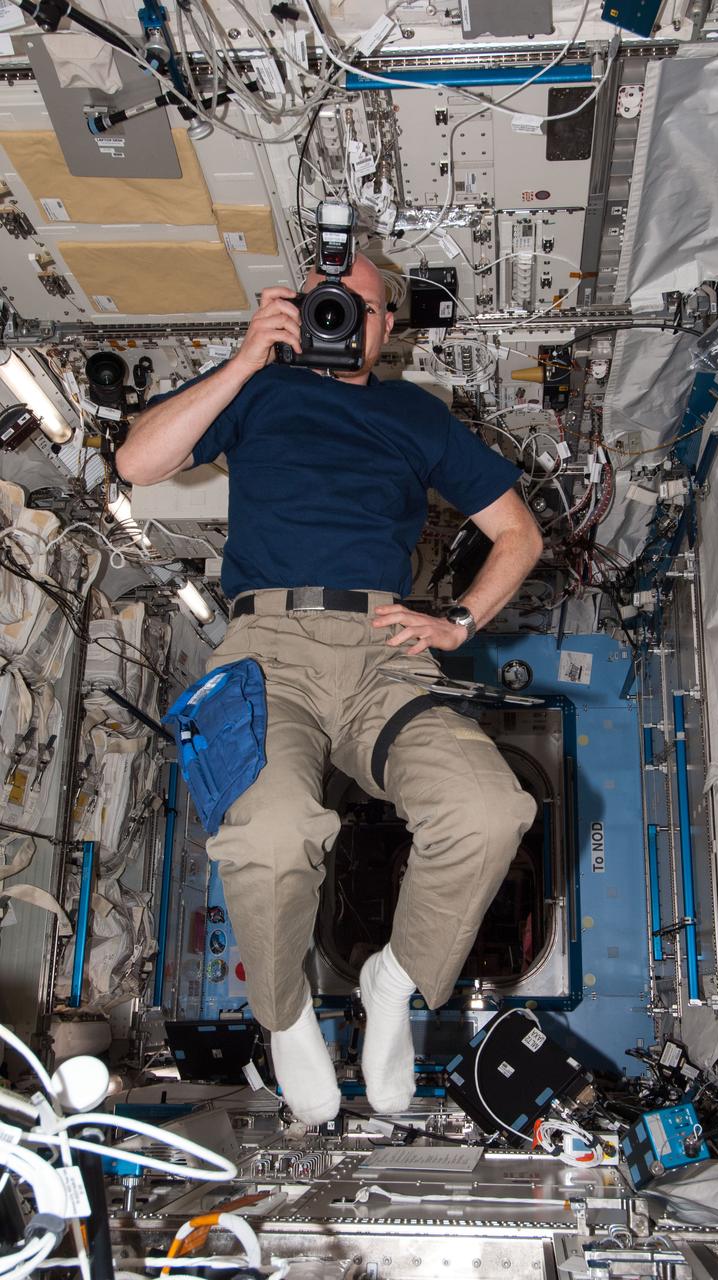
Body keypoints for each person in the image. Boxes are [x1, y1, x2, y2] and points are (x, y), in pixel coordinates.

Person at [115, 254, 542, 1123]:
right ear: (299, 307)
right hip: (266, 645)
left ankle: (396, 980)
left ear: (387, 327)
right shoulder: (259, 390)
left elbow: (518, 535)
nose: (340, 316)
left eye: (361, 306)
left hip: (384, 651)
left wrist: (457, 623)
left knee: (490, 810)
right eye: (324, 302)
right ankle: (286, 1012)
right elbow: (136, 463)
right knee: (269, 834)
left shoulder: (416, 414)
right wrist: (242, 360)